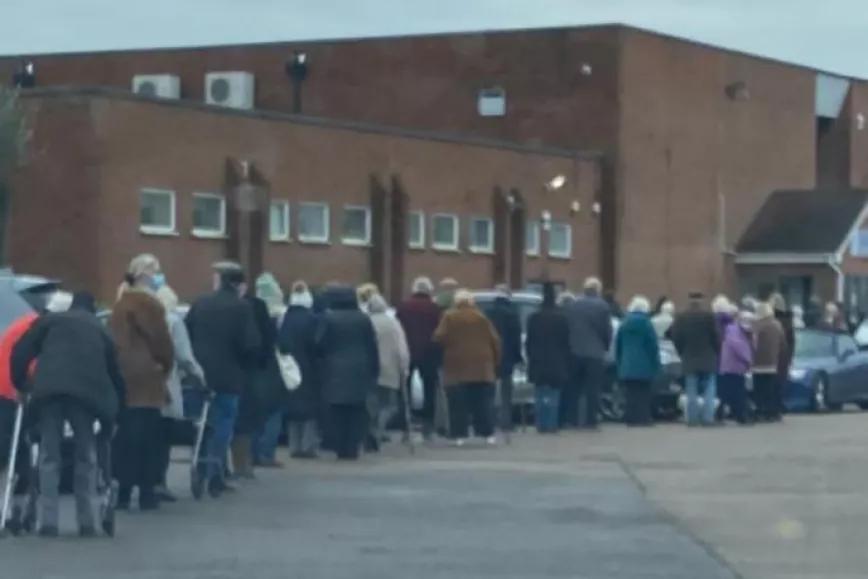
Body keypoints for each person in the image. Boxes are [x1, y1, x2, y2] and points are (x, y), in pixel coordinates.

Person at [11, 291, 125, 537]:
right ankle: (87, 521)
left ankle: (48, 522)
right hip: (86, 396)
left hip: (49, 392)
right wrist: (116, 410)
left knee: (49, 454)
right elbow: (116, 373)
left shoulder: (50, 321)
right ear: (93, 309)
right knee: (86, 455)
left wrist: (21, 383)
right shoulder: (100, 329)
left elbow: (21, 351)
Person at [186, 262, 260, 496]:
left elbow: (186, 333)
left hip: (199, 374)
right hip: (229, 376)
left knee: (201, 424)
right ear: (238, 284)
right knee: (223, 423)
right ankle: (216, 473)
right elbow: (250, 344)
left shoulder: (200, 303)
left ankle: (199, 467)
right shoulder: (242, 307)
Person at [110, 255, 175, 510]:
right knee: (149, 437)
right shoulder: (150, 304)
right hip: (147, 378)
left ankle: (123, 493)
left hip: (123, 378)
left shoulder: (119, 305)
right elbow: (161, 342)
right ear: (146, 275)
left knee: (126, 436)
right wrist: (164, 366)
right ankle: (147, 492)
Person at [316, 286, 379, 460]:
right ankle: (352, 446)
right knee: (357, 410)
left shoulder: (328, 318)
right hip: (360, 368)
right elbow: (372, 346)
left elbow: (319, 343)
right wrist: (374, 370)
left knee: (337, 411)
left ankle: (340, 447)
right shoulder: (363, 319)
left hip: (334, 369)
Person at [155, 284, 205, 501]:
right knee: (164, 436)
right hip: (166, 385)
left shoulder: (143, 319)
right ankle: (159, 482)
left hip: (139, 388)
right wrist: (200, 377)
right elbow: (184, 357)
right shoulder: (173, 322)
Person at [433, 290, 501, 446]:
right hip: (482, 366)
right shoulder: (481, 317)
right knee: (482, 402)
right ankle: (487, 434)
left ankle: (459, 435)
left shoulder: (449, 317)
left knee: (458, 404)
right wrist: (495, 362)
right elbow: (495, 340)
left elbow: (438, 337)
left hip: (456, 366)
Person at [248, 273, 290, 469]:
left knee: (255, 412)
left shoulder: (250, 310)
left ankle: (253, 453)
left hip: (253, 369)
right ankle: (266, 453)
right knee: (274, 412)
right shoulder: (280, 316)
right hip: (273, 369)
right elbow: (285, 345)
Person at [396, 276, 442, 440]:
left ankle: (405, 426)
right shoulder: (435, 308)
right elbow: (440, 331)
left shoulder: (403, 307)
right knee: (430, 389)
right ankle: (428, 425)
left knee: (404, 389)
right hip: (429, 352)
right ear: (429, 290)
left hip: (408, 351)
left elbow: (398, 329)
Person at [563, 277, 612, 429]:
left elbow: (567, 327)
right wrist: (605, 346)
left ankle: (571, 419)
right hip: (595, 352)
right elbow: (606, 330)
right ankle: (591, 421)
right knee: (593, 388)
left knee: (573, 387)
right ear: (598, 290)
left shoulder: (573, 305)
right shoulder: (602, 306)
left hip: (575, 351)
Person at [279, 281, 321, 459]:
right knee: (310, 409)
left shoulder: (286, 318)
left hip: (289, 368)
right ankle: (307, 445)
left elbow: (281, 343)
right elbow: (317, 344)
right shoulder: (312, 319)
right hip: (309, 367)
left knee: (293, 409)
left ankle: (294, 445)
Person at [367, 294, 410, 450]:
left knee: (371, 405)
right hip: (390, 370)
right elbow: (401, 348)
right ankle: (378, 428)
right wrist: (404, 367)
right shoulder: (393, 323)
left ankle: (371, 430)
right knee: (390, 405)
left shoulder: (367, 322)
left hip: (370, 370)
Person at [526, 283, 570, 433]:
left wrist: (531, 357)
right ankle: (551, 424)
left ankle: (540, 424)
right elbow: (566, 342)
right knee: (554, 395)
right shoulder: (561, 318)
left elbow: (529, 342)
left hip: (538, 361)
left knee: (539, 394)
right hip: (557, 361)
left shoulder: (534, 318)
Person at [670, 292, 720, 426]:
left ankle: (692, 418)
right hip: (708, 357)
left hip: (689, 357)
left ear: (689, 300)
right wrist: (716, 351)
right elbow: (716, 336)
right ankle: (708, 418)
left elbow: (676, 337)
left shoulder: (681, 317)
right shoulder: (709, 316)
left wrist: (681, 351)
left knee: (691, 389)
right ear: (701, 300)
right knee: (709, 388)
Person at [615, 296, 661, 426]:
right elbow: (652, 345)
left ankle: (630, 418)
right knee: (643, 393)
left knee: (630, 393)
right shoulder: (646, 323)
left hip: (627, 363)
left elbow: (618, 345)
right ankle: (643, 418)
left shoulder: (624, 323)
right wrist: (655, 363)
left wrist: (620, 361)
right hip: (644, 364)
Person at [483, 284, 522, 433]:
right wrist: (518, 357)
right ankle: (506, 421)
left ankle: (489, 420)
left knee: (490, 391)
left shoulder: (487, 313)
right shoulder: (512, 313)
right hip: (507, 356)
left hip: (489, 355)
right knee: (506, 392)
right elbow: (516, 338)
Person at [752, 301, 787, 421]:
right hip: (772, 362)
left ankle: (760, 411)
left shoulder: (757, 325)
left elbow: (752, 342)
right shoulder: (777, 325)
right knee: (770, 389)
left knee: (759, 389)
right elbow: (783, 344)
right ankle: (771, 412)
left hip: (757, 363)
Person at [718, 310, 753, 424]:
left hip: (730, 367)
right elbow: (740, 348)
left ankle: (722, 414)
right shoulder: (735, 332)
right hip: (733, 368)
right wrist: (749, 359)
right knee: (738, 393)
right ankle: (741, 416)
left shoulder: (732, 331)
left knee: (726, 393)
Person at [771, 293, 795, 421]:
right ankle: (777, 408)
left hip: (776, 355)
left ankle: (775, 408)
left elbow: (790, 341)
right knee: (779, 383)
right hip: (783, 356)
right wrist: (790, 357)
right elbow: (792, 341)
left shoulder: (775, 320)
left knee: (774, 383)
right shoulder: (787, 321)